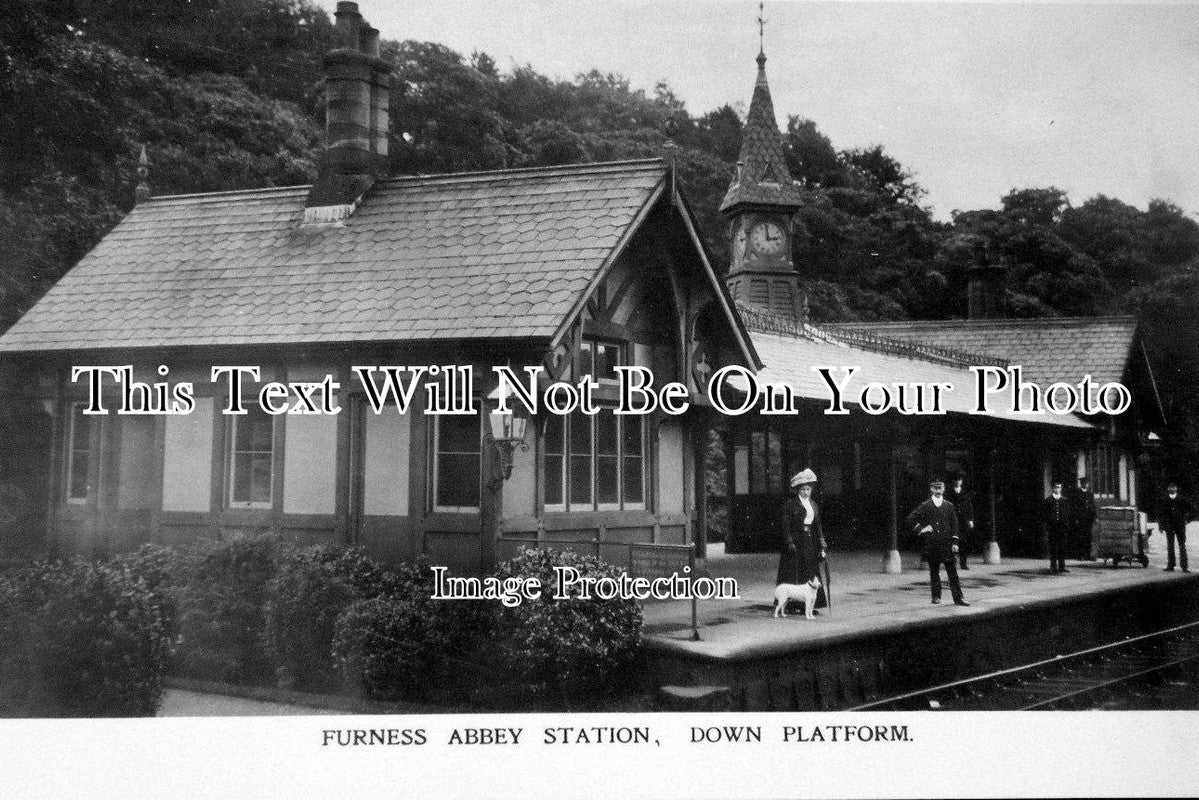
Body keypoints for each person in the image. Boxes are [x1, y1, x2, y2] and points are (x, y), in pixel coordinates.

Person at [905, 477, 969, 606]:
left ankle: (958, 598)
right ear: (931, 489)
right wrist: (921, 529)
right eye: (935, 488)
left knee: (952, 573)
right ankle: (936, 596)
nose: (938, 491)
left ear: (944, 489)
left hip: (947, 544)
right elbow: (910, 518)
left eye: (940, 488)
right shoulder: (926, 505)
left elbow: (955, 525)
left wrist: (955, 542)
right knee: (934, 572)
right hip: (932, 543)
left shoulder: (949, 506)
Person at [777, 468, 827, 612]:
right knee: (793, 572)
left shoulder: (814, 505)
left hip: (809, 541)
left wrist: (822, 541)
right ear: (798, 490)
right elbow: (785, 525)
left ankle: (810, 605)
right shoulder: (790, 504)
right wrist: (789, 542)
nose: (806, 492)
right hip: (795, 542)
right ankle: (791, 605)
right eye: (803, 489)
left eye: (808, 489)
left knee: (810, 571)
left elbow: (817, 525)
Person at [1160, 481, 1193, 572]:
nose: (1172, 489)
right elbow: (1161, 513)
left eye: (1173, 488)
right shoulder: (1164, 500)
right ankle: (1171, 565)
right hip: (1169, 526)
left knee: (1182, 546)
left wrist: (1187, 520)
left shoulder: (1182, 499)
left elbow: (1191, 509)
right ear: (1168, 489)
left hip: (1180, 525)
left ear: (1176, 489)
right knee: (1170, 546)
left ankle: (1184, 566)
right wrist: (1161, 526)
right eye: (1170, 488)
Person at [1041, 479, 1071, 574]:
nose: (1057, 489)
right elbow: (1044, 515)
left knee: (1062, 546)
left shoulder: (1064, 501)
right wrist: (1048, 524)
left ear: (1061, 489)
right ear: (1052, 488)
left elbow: (1067, 514)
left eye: (1059, 487)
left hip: (1062, 527)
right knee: (1053, 546)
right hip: (1052, 527)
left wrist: (1066, 524)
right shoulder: (1048, 501)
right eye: (1055, 487)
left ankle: (1062, 566)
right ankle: (1053, 566)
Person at [949, 475, 975, 570]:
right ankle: (953, 563)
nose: (958, 481)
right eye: (956, 479)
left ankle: (963, 563)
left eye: (959, 480)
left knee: (964, 542)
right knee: (953, 541)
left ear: (961, 481)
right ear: (953, 481)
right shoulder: (949, 493)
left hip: (964, 520)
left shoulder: (965, 493)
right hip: (953, 520)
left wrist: (970, 519)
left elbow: (969, 506)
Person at [1071, 476, 1098, 561]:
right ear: (1081, 484)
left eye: (1087, 483)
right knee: (1081, 536)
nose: (1086, 484)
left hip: (1088, 518)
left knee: (1088, 536)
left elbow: (1093, 506)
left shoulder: (1090, 494)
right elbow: (1074, 506)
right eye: (1084, 483)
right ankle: (1080, 555)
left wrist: (1095, 517)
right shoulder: (1077, 493)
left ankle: (1088, 555)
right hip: (1080, 518)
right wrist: (1076, 518)